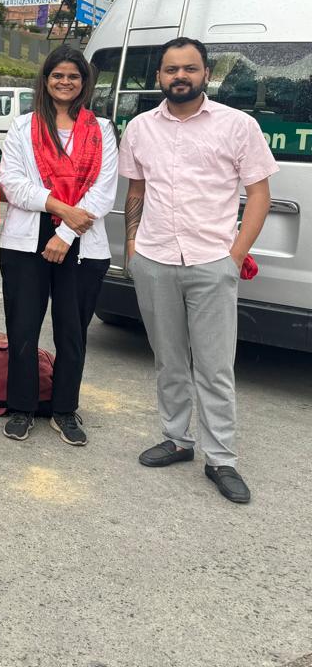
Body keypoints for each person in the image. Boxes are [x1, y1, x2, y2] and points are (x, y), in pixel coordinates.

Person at [121, 37, 276, 504]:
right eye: (171, 70)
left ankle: (221, 458)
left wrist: (234, 256)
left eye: (189, 68)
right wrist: (132, 246)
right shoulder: (141, 128)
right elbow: (136, 191)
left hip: (212, 263)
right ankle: (176, 439)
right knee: (168, 358)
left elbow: (260, 195)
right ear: (158, 77)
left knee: (214, 366)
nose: (180, 77)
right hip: (155, 259)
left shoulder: (238, 126)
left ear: (207, 73)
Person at [0, 48, 117, 445]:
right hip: (25, 244)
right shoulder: (23, 126)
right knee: (23, 330)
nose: (65, 82)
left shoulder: (102, 129)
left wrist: (64, 234)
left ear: (85, 82)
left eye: (74, 76)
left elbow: (104, 193)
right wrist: (61, 207)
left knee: (72, 333)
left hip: (82, 248)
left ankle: (65, 409)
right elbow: (12, 183)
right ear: (45, 79)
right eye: (57, 75)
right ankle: (21, 407)